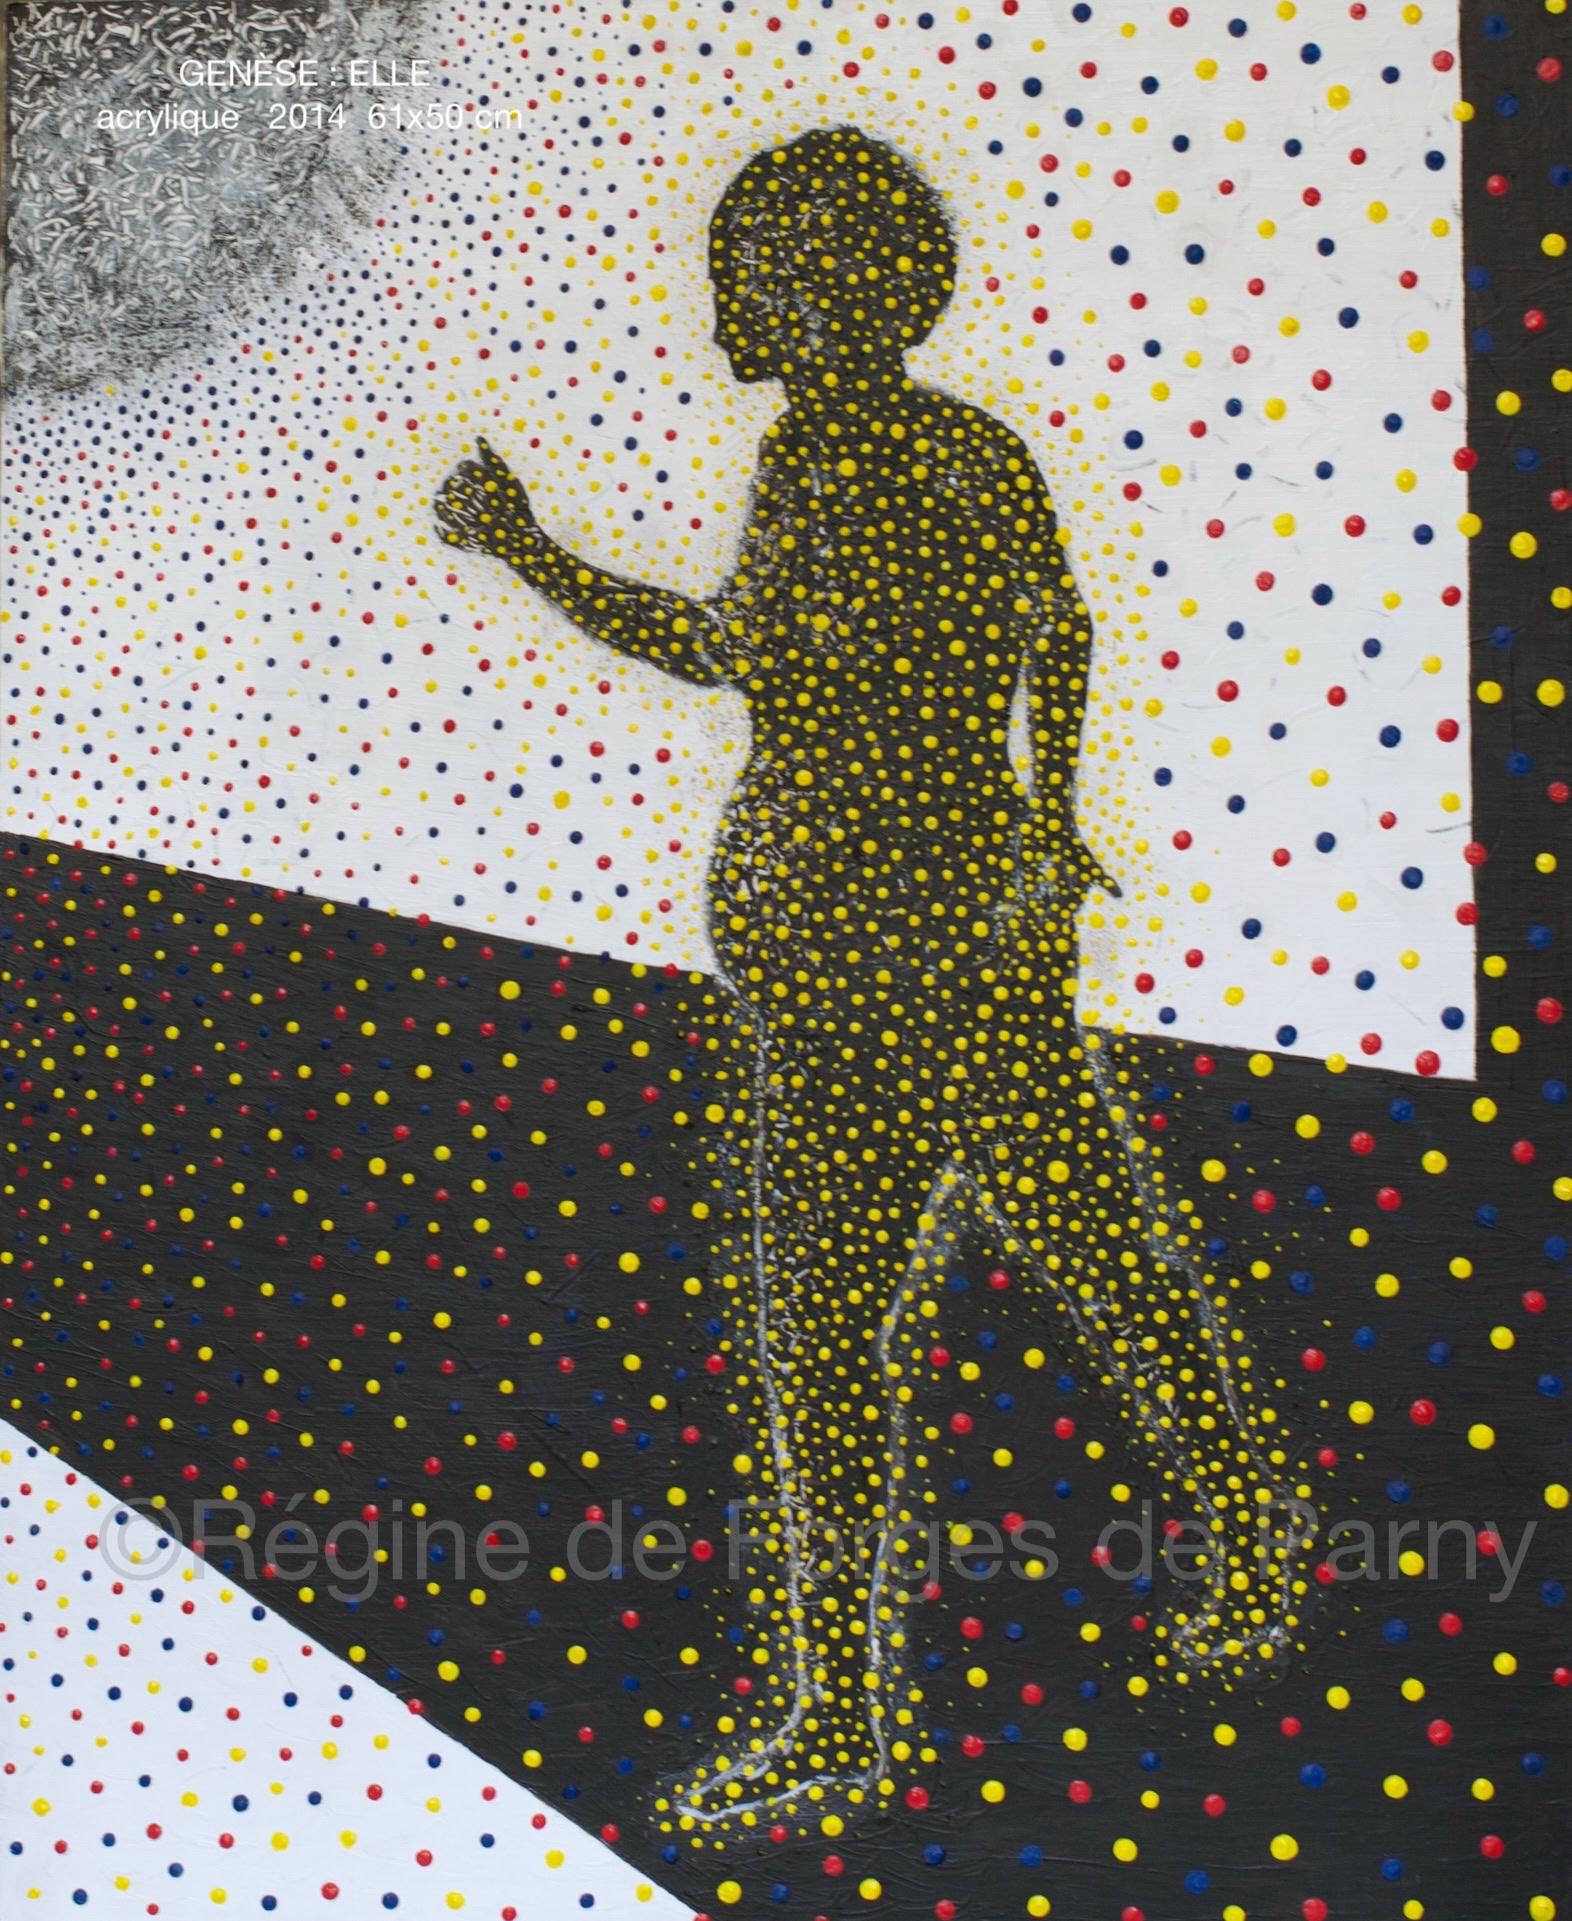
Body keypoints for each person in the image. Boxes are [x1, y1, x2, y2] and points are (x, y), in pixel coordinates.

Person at [436, 125, 1314, 1831]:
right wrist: (1048, 819)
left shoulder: (847, 459)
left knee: (841, 1332)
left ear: (821, 290)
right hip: (931, 937)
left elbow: (734, 650)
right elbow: (1058, 624)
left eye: (757, 268)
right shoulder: (952, 446)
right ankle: (1229, 1549)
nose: (729, 295)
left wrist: (530, 549)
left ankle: (848, 1705)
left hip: (877, 963)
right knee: (1067, 1263)